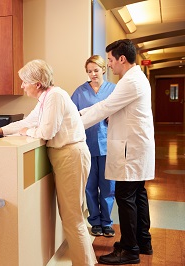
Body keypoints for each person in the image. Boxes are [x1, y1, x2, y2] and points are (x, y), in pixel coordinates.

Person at [0, 59, 97, 266]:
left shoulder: (55, 97)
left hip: (70, 156)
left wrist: (28, 132)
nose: (22, 86)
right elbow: (29, 121)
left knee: (72, 218)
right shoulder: (46, 99)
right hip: (65, 157)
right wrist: (0, 131)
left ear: (36, 83)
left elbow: (45, 131)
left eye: (24, 82)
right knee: (71, 216)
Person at [80, 39, 155, 265]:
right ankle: (143, 241)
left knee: (126, 197)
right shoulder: (136, 78)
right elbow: (112, 108)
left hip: (130, 150)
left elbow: (105, 107)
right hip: (136, 148)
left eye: (111, 60)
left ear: (122, 59)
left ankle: (130, 250)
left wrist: (73, 122)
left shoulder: (130, 82)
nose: (109, 65)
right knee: (138, 194)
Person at [71, 55, 116, 238]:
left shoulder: (113, 90)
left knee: (108, 186)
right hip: (86, 145)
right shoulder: (80, 91)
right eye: (89, 71)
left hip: (108, 145)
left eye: (96, 70)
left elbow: (121, 111)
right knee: (89, 186)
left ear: (104, 69)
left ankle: (107, 222)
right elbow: (72, 116)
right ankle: (95, 221)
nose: (92, 74)